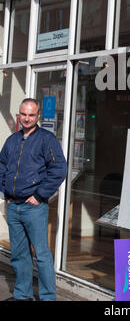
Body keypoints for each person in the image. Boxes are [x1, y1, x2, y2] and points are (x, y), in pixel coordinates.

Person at [0, 98, 67, 301]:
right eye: (23, 114)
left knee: (42, 255)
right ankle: (22, 295)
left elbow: (59, 169)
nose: (26, 119)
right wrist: (6, 193)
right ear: (19, 115)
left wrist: (39, 195)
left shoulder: (47, 140)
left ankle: (48, 297)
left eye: (31, 115)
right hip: (13, 206)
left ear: (38, 116)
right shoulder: (12, 140)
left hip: (34, 208)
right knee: (19, 255)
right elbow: (1, 167)